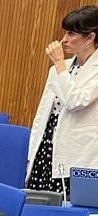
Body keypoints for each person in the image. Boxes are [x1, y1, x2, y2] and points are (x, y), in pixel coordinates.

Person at [27, 5, 98, 195]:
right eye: (65, 32)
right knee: (38, 206)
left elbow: (75, 101)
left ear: (90, 38)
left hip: (78, 153)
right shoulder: (60, 69)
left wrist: (59, 64)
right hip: (46, 148)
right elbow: (43, 114)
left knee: (67, 211)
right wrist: (32, 150)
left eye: (71, 33)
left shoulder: (88, 69)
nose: (64, 39)